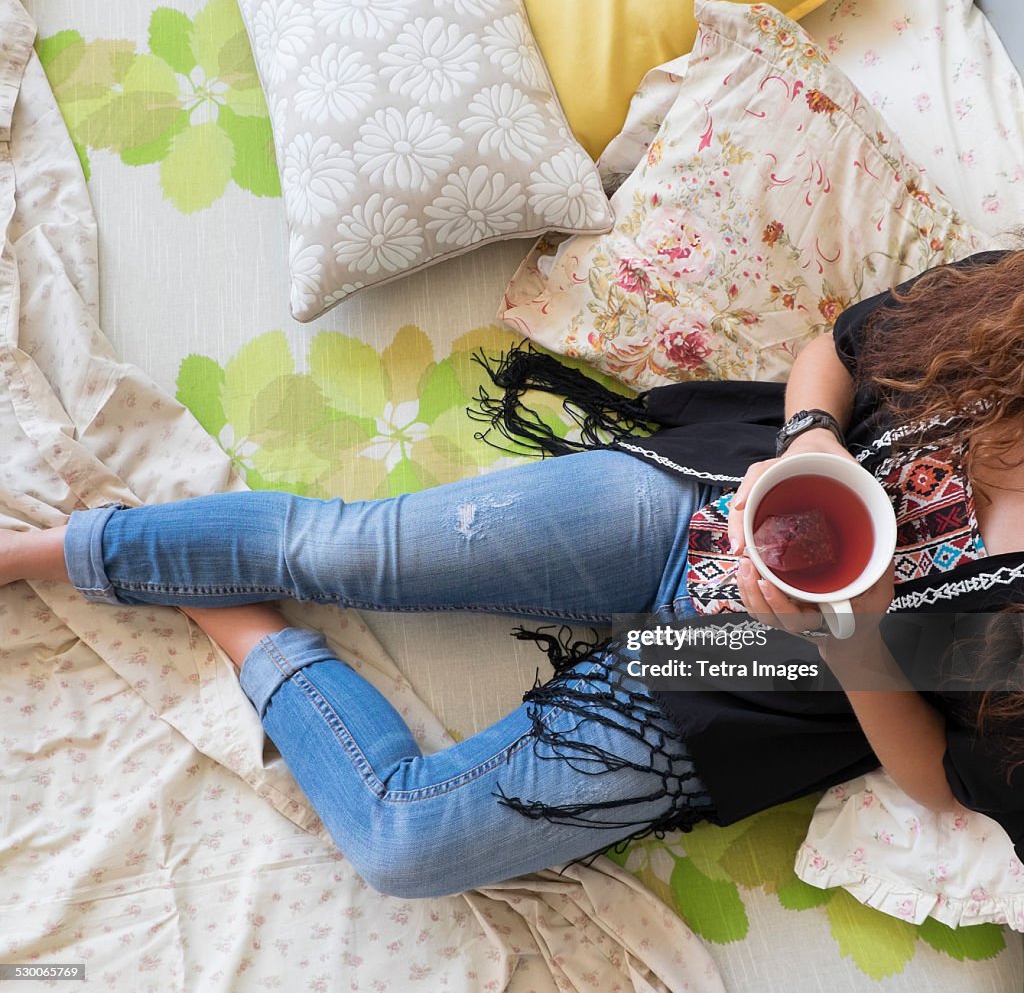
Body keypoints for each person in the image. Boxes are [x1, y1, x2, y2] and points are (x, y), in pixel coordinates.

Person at [3, 249, 1024, 898]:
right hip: (699, 500)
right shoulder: (1010, 313)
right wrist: (808, 438)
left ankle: (233, 621)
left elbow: (938, 786)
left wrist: (850, 642)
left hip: (754, 684)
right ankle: (42, 553)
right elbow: (837, 345)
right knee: (344, 551)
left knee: (406, 841)